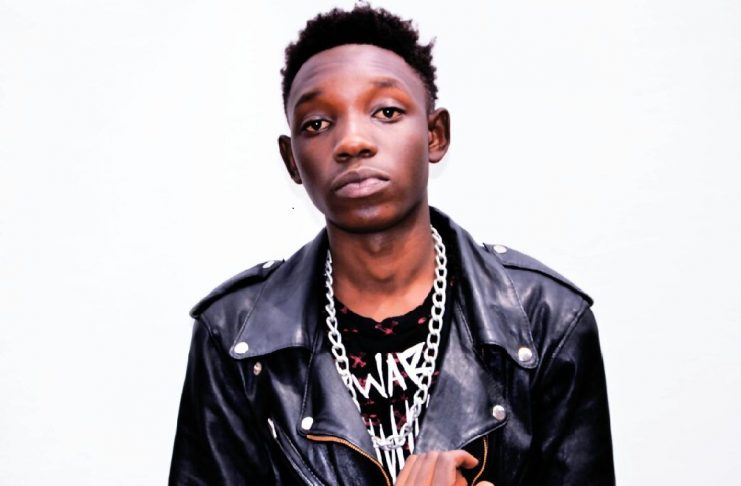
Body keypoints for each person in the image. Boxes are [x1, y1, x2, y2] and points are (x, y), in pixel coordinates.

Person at [169, 5, 614, 485]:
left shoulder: (544, 320)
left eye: (386, 112)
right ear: (291, 159)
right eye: (317, 123)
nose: (352, 141)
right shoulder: (236, 335)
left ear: (434, 134)